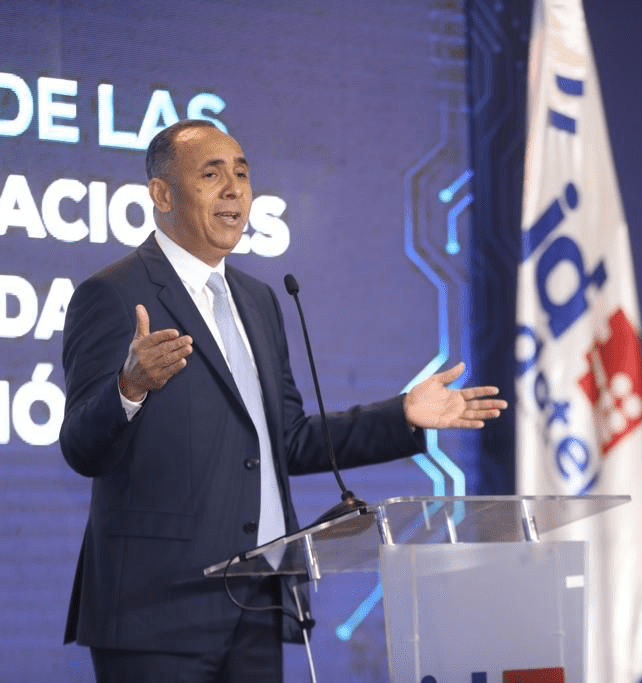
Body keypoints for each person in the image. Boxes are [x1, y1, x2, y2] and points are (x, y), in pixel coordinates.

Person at [59, 118, 506, 682]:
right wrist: (129, 387)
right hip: (156, 613)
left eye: (242, 174)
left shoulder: (259, 300)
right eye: (212, 175)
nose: (234, 190)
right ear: (162, 194)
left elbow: (287, 440)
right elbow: (80, 446)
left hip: (257, 602)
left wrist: (403, 415)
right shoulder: (113, 293)